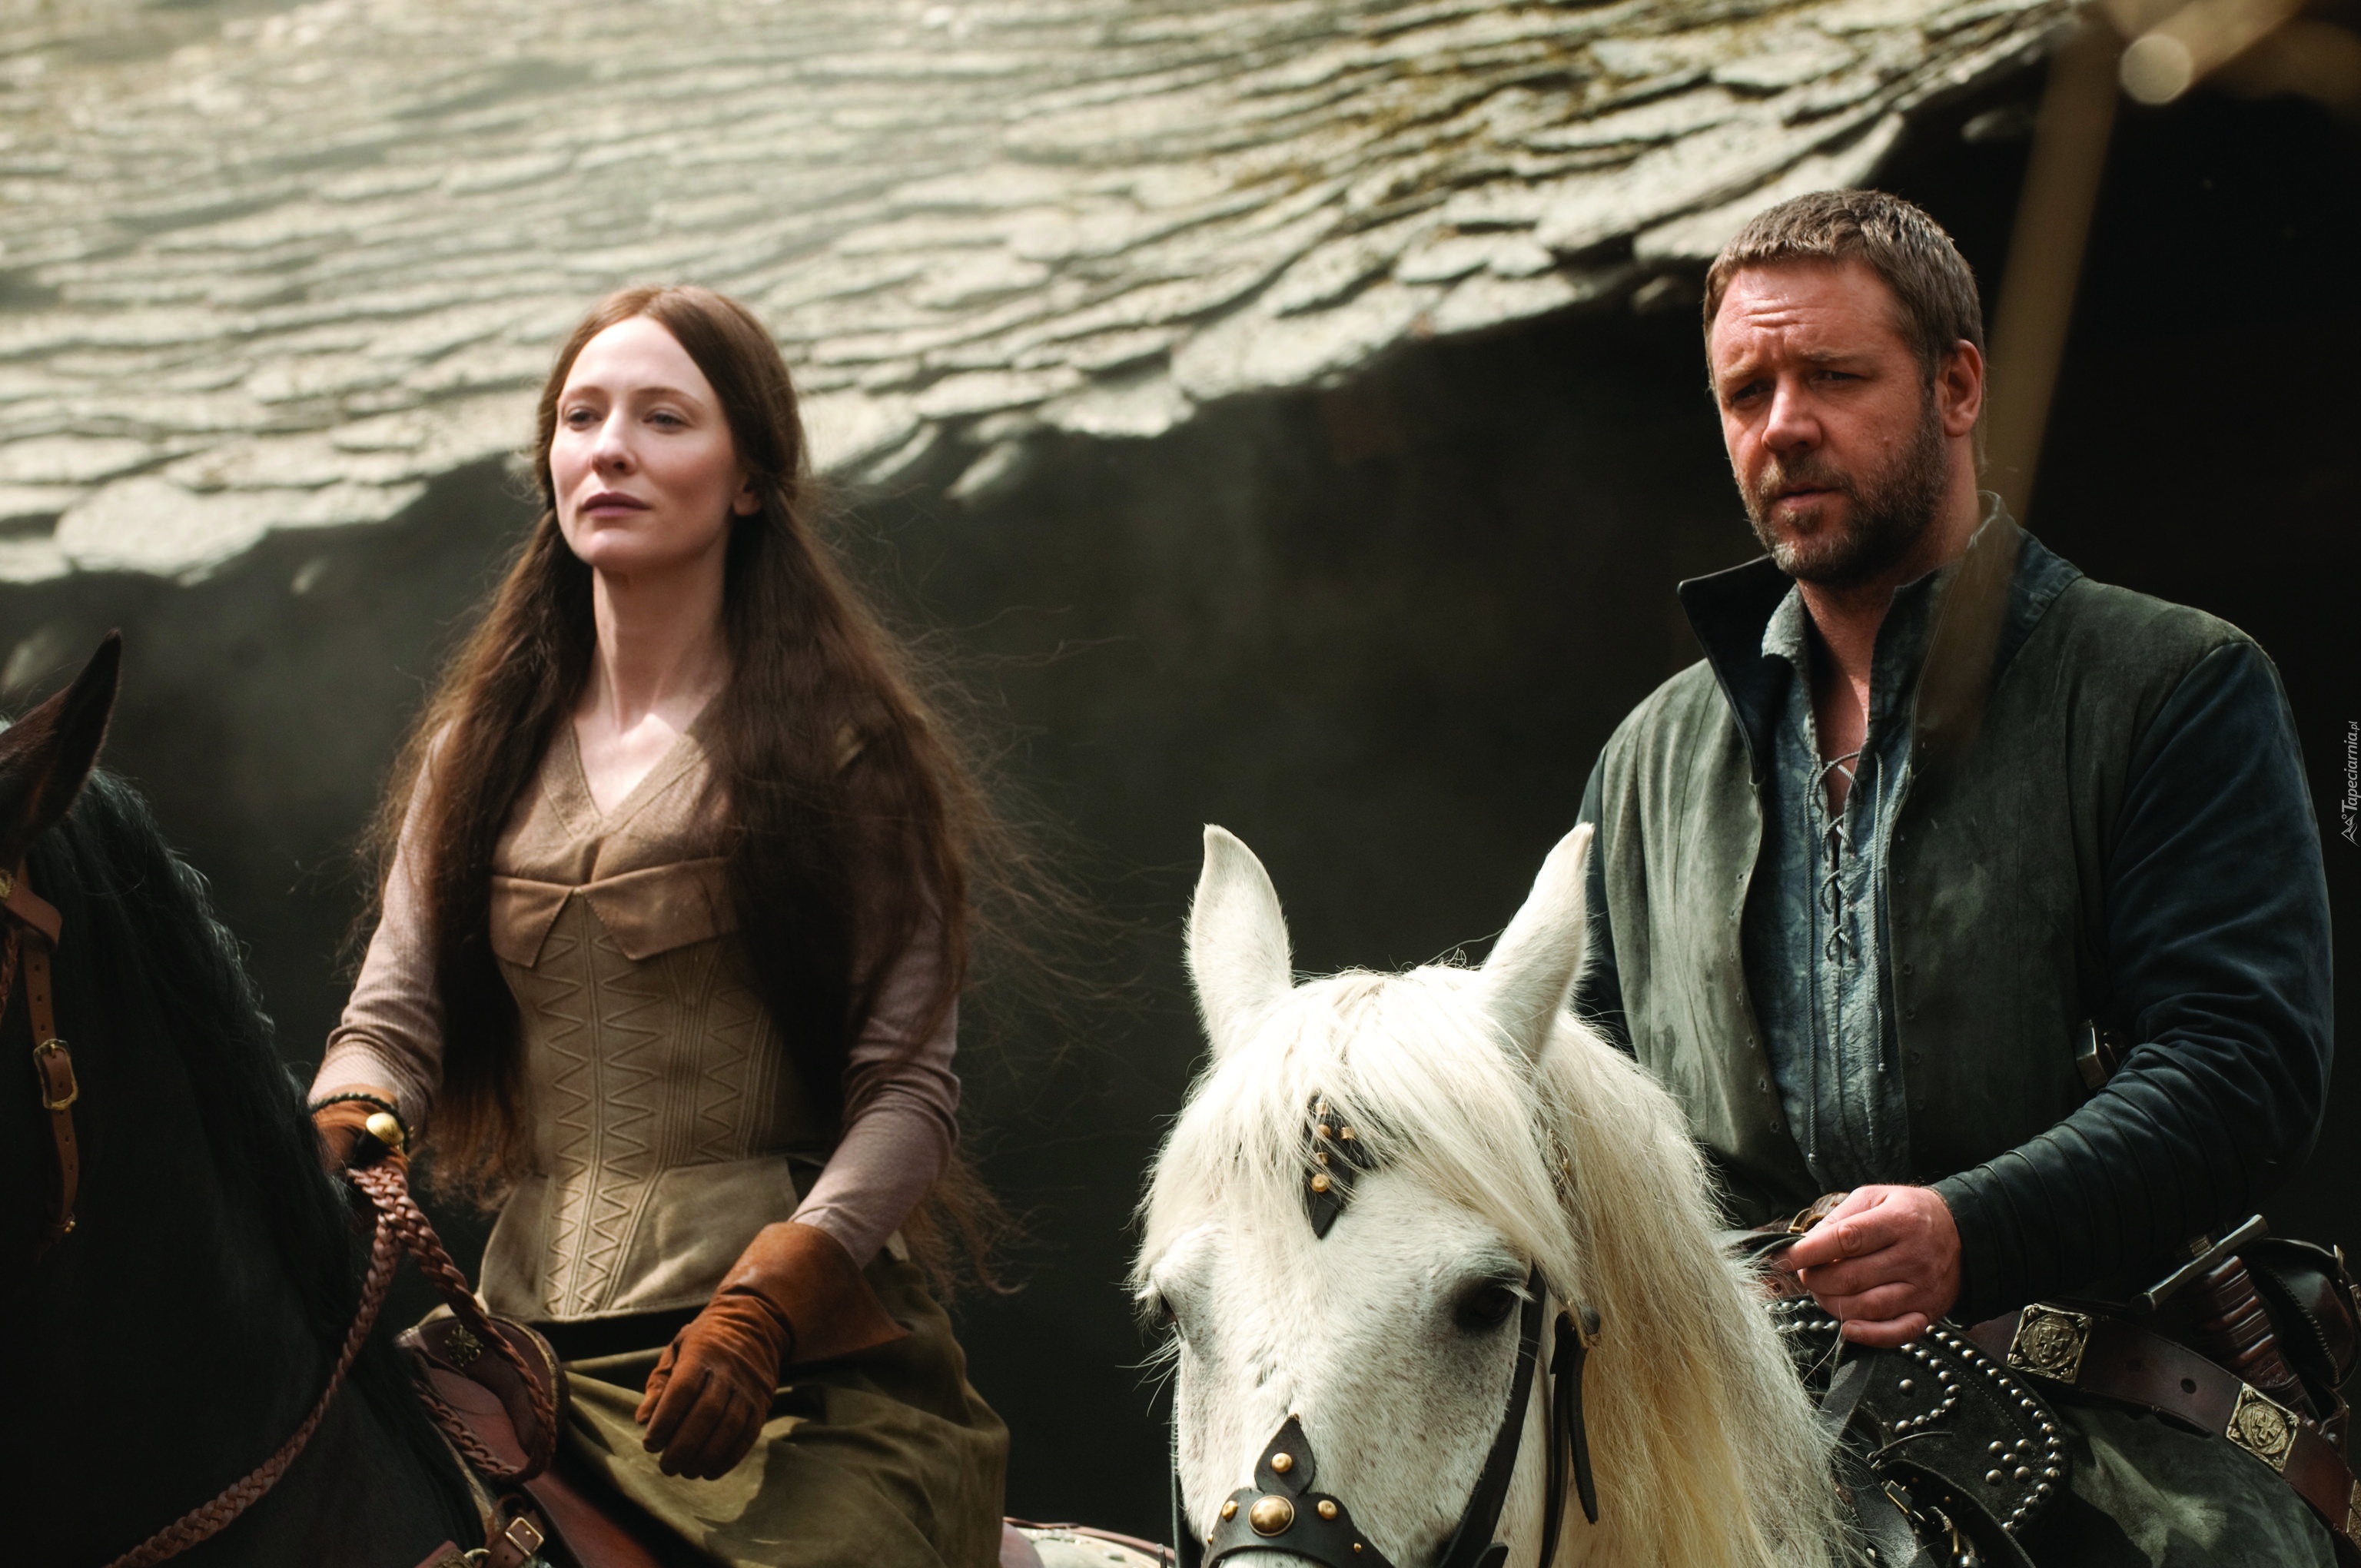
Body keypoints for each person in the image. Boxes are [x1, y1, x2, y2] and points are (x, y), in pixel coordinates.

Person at [1570, 190, 2336, 1564]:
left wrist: (1969, 1229)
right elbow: (1582, 1121)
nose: (1782, 425)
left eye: (1833, 376)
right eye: (1746, 392)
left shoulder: (2173, 684)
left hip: (2132, 1453)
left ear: (1959, 384)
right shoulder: (1644, 767)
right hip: (1747, 1460)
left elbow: (2242, 1063)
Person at [307, 284, 1008, 1567]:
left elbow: (908, 1091)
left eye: (663, 419)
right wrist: (345, 1125)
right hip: (513, 1357)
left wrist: (767, 1307)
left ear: (751, 480)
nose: (610, 449)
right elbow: (390, 1024)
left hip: (792, 1378)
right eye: (581, 418)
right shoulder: (475, 755)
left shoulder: (848, 748)